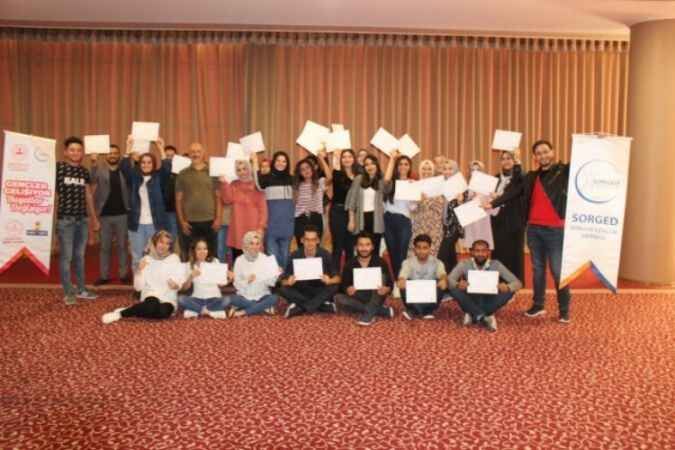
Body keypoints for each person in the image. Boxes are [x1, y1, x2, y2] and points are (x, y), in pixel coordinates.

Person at [483, 139, 571, 323]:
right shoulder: (531, 176)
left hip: (556, 230)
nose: (542, 156)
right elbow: (513, 191)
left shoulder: (563, 171)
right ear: (534, 157)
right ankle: (538, 305)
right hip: (533, 229)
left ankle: (564, 310)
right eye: (538, 153)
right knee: (538, 270)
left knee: (557, 270)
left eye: (545, 151)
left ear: (553, 152)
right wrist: (493, 203)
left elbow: (582, 164)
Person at [101, 230, 183, 324]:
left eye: (167, 243)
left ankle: (137, 309)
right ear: (155, 242)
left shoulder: (174, 258)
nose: (163, 246)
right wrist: (139, 271)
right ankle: (120, 314)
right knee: (151, 307)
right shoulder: (146, 259)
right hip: (151, 294)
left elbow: (179, 280)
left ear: (170, 246)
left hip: (168, 297)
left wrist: (176, 285)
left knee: (163, 312)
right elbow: (138, 288)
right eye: (161, 242)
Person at [56, 136, 101, 304]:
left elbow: (88, 195)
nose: (76, 153)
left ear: (82, 153)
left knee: (80, 256)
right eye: (72, 150)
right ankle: (68, 292)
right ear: (65, 152)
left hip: (82, 220)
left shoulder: (84, 171)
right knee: (66, 257)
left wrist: (94, 218)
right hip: (65, 221)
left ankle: (81, 289)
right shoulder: (58, 168)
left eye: (79, 150)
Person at [447, 239, 522, 332]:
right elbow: (449, 280)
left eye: (483, 251)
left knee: (510, 292)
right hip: (471, 297)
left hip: (489, 298)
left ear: (488, 252)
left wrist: (507, 287)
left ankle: (473, 313)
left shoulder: (496, 264)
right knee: (454, 289)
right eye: (477, 251)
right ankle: (485, 316)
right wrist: (458, 284)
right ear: (472, 252)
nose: (480, 254)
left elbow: (518, 283)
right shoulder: (464, 264)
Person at [120, 136, 170, 273]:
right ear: (140, 164)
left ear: (153, 164)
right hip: (136, 224)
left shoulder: (159, 177)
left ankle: (154, 283)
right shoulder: (134, 177)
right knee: (137, 256)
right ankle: (139, 283)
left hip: (155, 224)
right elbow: (124, 167)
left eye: (149, 162)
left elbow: (167, 167)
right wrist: (128, 147)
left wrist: (160, 148)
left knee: (156, 256)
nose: (146, 165)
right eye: (143, 162)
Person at [89, 145, 131, 286]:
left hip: (122, 215)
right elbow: (92, 179)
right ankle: (104, 276)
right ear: (106, 155)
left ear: (119, 155)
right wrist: (93, 163)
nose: (112, 155)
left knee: (122, 247)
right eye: (110, 153)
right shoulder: (100, 170)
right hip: (104, 216)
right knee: (104, 247)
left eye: (115, 153)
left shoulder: (124, 170)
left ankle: (123, 274)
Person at [280, 225, 341, 318]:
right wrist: (288, 281)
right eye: (307, 240)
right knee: (282, 289)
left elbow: (338, 278)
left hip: (319, 289)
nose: (310, 243)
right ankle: (321, 305)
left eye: (313, 240)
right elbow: (283, 281)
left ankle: (301, 308)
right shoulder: (295, 255)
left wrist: (330, 280)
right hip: (301, 290)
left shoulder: (325, 254)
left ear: (318, 241)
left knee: (334, 287)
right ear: (302, 240)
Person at [335, 232, 394, 326]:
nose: (364, 248)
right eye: (361, 245)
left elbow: (390, 283)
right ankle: (381, 310)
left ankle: (368, 316)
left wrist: (386, 289)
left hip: (376, 294)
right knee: (338, 298)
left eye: (367, 245)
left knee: (382, 278)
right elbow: (344, 285)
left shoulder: (380, 262)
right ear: (356, 247)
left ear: (372, 247)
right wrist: (348, 289)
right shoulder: (350, 264)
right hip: (358, 295)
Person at [175, 142, 222, 259]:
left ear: (203, 153)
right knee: (190, 256)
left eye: (198, 151)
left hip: (210, 221)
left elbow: (218, 197)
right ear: (189, 154)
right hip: (189, 223)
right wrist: (182, 222)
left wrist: (218, 218)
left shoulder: (213, 172)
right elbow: (178, 199)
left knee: (211, 255)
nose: (195, 154)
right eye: (192, 152)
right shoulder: (182, 174)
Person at [488, 151, 526, 281]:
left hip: (515, 220)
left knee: (515, 253)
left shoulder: (520, 177)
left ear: (514, 160)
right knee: (499, 252)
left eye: (509, 158)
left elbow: (517, 188)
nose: (506, 161)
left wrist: (518, 163)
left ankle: (515, 282)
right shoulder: (495, 179)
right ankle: (498, 281)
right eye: (503, 159)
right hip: (497, 220)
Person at [220, 158, 267, 260]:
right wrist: (224, 183)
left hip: (254, 229)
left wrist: (260, 227)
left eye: (244, 168)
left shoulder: (257, 185)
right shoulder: (233, 184)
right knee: (238, 260)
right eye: (239, 170)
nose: (242, 172)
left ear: (249, 168)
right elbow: (227, 200)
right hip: (237, 228)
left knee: (255, 261)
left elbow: (263, 210)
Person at [254, 151, 294, 269]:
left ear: (287, 163)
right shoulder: (267, 178)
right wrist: (255, 161)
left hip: (287, 226)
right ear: (274, 162)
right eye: (278, 160)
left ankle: (284, 279)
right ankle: (275, 280)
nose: (281, 163)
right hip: (271, 226)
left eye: (284, 161)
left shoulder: (292, 179)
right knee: (272, 259)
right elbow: (258, 184)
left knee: (285, 258)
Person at [226, 231, 280, 317]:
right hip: (244, 296)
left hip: (262, 295)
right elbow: (236, 284)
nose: (255, 247)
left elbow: (271, 283)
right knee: (232, 299)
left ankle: (242, 312)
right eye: (251, 243)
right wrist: (247, 281)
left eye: (257, 244)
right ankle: (263, 308)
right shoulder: (239, 260)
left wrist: (276, 274)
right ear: (246, 245)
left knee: (274, 298)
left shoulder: (265, 259)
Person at [382, 150, 416, 278]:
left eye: (406, 164)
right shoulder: (391, 182)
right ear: (396, 167)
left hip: (404, 221)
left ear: (410, 167)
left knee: (402, 252)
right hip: (388, 219)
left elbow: (413, 207)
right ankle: (397, 280)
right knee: (392, 252)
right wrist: (392, 159)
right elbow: (386, 181)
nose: (403, 166)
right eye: (400, 164)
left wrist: (415, 195)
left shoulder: (412, 183)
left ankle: (402, 279)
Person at [398, 234, 448, 320]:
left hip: (429, 296)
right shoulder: (407, 262)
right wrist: (401, 280)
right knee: (403, 284)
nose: (421, 251)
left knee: (442, 284)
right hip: (414, 295)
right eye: (419, 248)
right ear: (414, 249)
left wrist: (444, 280)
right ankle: (424, 311)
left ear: (430, 249)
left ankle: (416, 311)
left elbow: (443, 275)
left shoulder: (437, 262)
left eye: (425, 248)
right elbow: (402, 276)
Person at [178, 238, 229, 319]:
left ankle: (197, 310)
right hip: (197, 299)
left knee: (227, 300)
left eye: (205, 249)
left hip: (214, 298)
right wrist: (191, 276)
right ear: (194, 250)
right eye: (199, 249)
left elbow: (221, 285)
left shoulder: (215, 261)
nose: (202, 251)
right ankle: (209, 311)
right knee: (181, 299)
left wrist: (229, 278)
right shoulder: (189, 265)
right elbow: (184, 288)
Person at [346, 155, 386, 257]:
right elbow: (352, 201)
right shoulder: (359, 179)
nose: (370, 166)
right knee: (361, 248)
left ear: (377, 165)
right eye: (367, 164)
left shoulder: (381, 180)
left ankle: (375, 267)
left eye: (372, 163)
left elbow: (388, 185)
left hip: (376, 219)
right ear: (364, 167)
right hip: (361, 218)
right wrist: (351, 220)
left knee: (375, 248)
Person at [325, 149, 357, 270]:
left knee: (350, 247)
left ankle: (348, 276)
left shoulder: (359, 176)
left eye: (349, 156)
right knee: (337, 246)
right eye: (344, 157)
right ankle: (335, 276)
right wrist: (332, 156)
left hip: (353, 213)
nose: (347, 159)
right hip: (337, 212)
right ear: (340, 160)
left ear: (353, 159)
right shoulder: (337, 173)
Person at [408, 159, 444, 257]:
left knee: (433, 251)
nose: (426, 171)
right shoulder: (415, 185)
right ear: (420, 170)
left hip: (434, 225)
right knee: (417, 250)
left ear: (433, 171)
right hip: (419, 223)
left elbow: (441, 206)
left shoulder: (439, 185)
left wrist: (427, 200)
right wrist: (418, 200)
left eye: (429, 169)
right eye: (424, 169)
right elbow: (411, 208)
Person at [293, 154, 331, 246]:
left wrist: (321, 159)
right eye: (302, 169)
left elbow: (329, 177)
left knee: (315, 248)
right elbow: (294, 203)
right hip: (301, 220)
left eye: (308, 168)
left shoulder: (320, 182)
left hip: (316, 218)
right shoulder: (297, 186)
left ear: (312, 169)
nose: (306, 171)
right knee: (302, 248)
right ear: (299, 173)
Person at [438, 159, 465, 273]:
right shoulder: (440, 185)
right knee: (450, 253)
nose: (447, 171)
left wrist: (461, 201)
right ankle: (455, 277)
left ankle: (445, 276)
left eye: (450, 169)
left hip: (454, 226)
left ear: (456, 170)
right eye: (445, 169)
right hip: (443, 225)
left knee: (442, 253)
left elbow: (467, 206)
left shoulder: (461, 185)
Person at [462, 160, 494, 250]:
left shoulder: (488, 185)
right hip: (471, 221)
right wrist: (469, 199)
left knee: (483, 245)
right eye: (473, 170)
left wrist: (491, 199)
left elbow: (493, 206)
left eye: (478, 170)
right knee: (471, 246)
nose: (475, 172)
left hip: (483, 220)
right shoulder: (466, 187)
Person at [162, 144, 180, 240]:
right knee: (167, 237)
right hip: (166, 210)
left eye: (172, 156)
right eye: (167, 156)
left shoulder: (181, 173)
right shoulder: (160, 172)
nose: (169, 159)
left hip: (179, 210)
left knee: (175, 237)